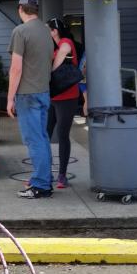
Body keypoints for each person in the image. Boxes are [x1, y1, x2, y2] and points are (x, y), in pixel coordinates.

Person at [7, 0, 54, 199]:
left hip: (27, 94)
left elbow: (16, 69)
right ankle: (44, 179)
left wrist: (10, 98)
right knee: (42, 138)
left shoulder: (20, 31)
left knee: (34, 140)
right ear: (36, 9)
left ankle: (41, 185)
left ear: (20, 9)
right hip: (43, 92)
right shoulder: (46, 31)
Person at [46, 18, 79, 189]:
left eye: (48, 29)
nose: (47, 32)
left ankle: (62, 175)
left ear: (55, 31)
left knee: (62, 135)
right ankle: (46, 173)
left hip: (67, 97)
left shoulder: (66, 42)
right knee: (45, 133)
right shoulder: (55, 47)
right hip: (53, 97)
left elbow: (55, 66)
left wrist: (45, 70)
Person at [79, 50, 88, 118]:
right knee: (87, 100)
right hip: (83, 82)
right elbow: (83, 71)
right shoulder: (86, 59)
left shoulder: (83, 58)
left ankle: (86, 115)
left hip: (82, 81)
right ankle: (86, 116)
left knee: (86, 100)